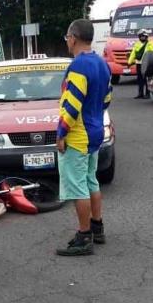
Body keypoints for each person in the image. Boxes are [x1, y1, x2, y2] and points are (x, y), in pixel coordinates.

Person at [56, 19, 112, 256]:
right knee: (91, 181)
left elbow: (72, 102)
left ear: (74, 37)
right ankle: (97, 227)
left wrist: (61, 132)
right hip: (96, 131)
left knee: (78, 186)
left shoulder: (78, 66)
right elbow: (107, 98)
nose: (67, 41)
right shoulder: (102, 63)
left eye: (67, 37)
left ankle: (83, 236)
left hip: (79, 135)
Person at [128, 29, 153, 99]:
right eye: (141, 36)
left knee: (146, 79)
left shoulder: (150, 43)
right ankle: (140, 93)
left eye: (143, 36)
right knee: (140, 79)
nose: (142, 38)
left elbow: (152, 53)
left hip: (147, 64)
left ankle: (147, 94)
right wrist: (129, 62)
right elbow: (133, 53)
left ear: (146, 37)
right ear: (139, 37)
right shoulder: (137, 44)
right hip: (139, 64)